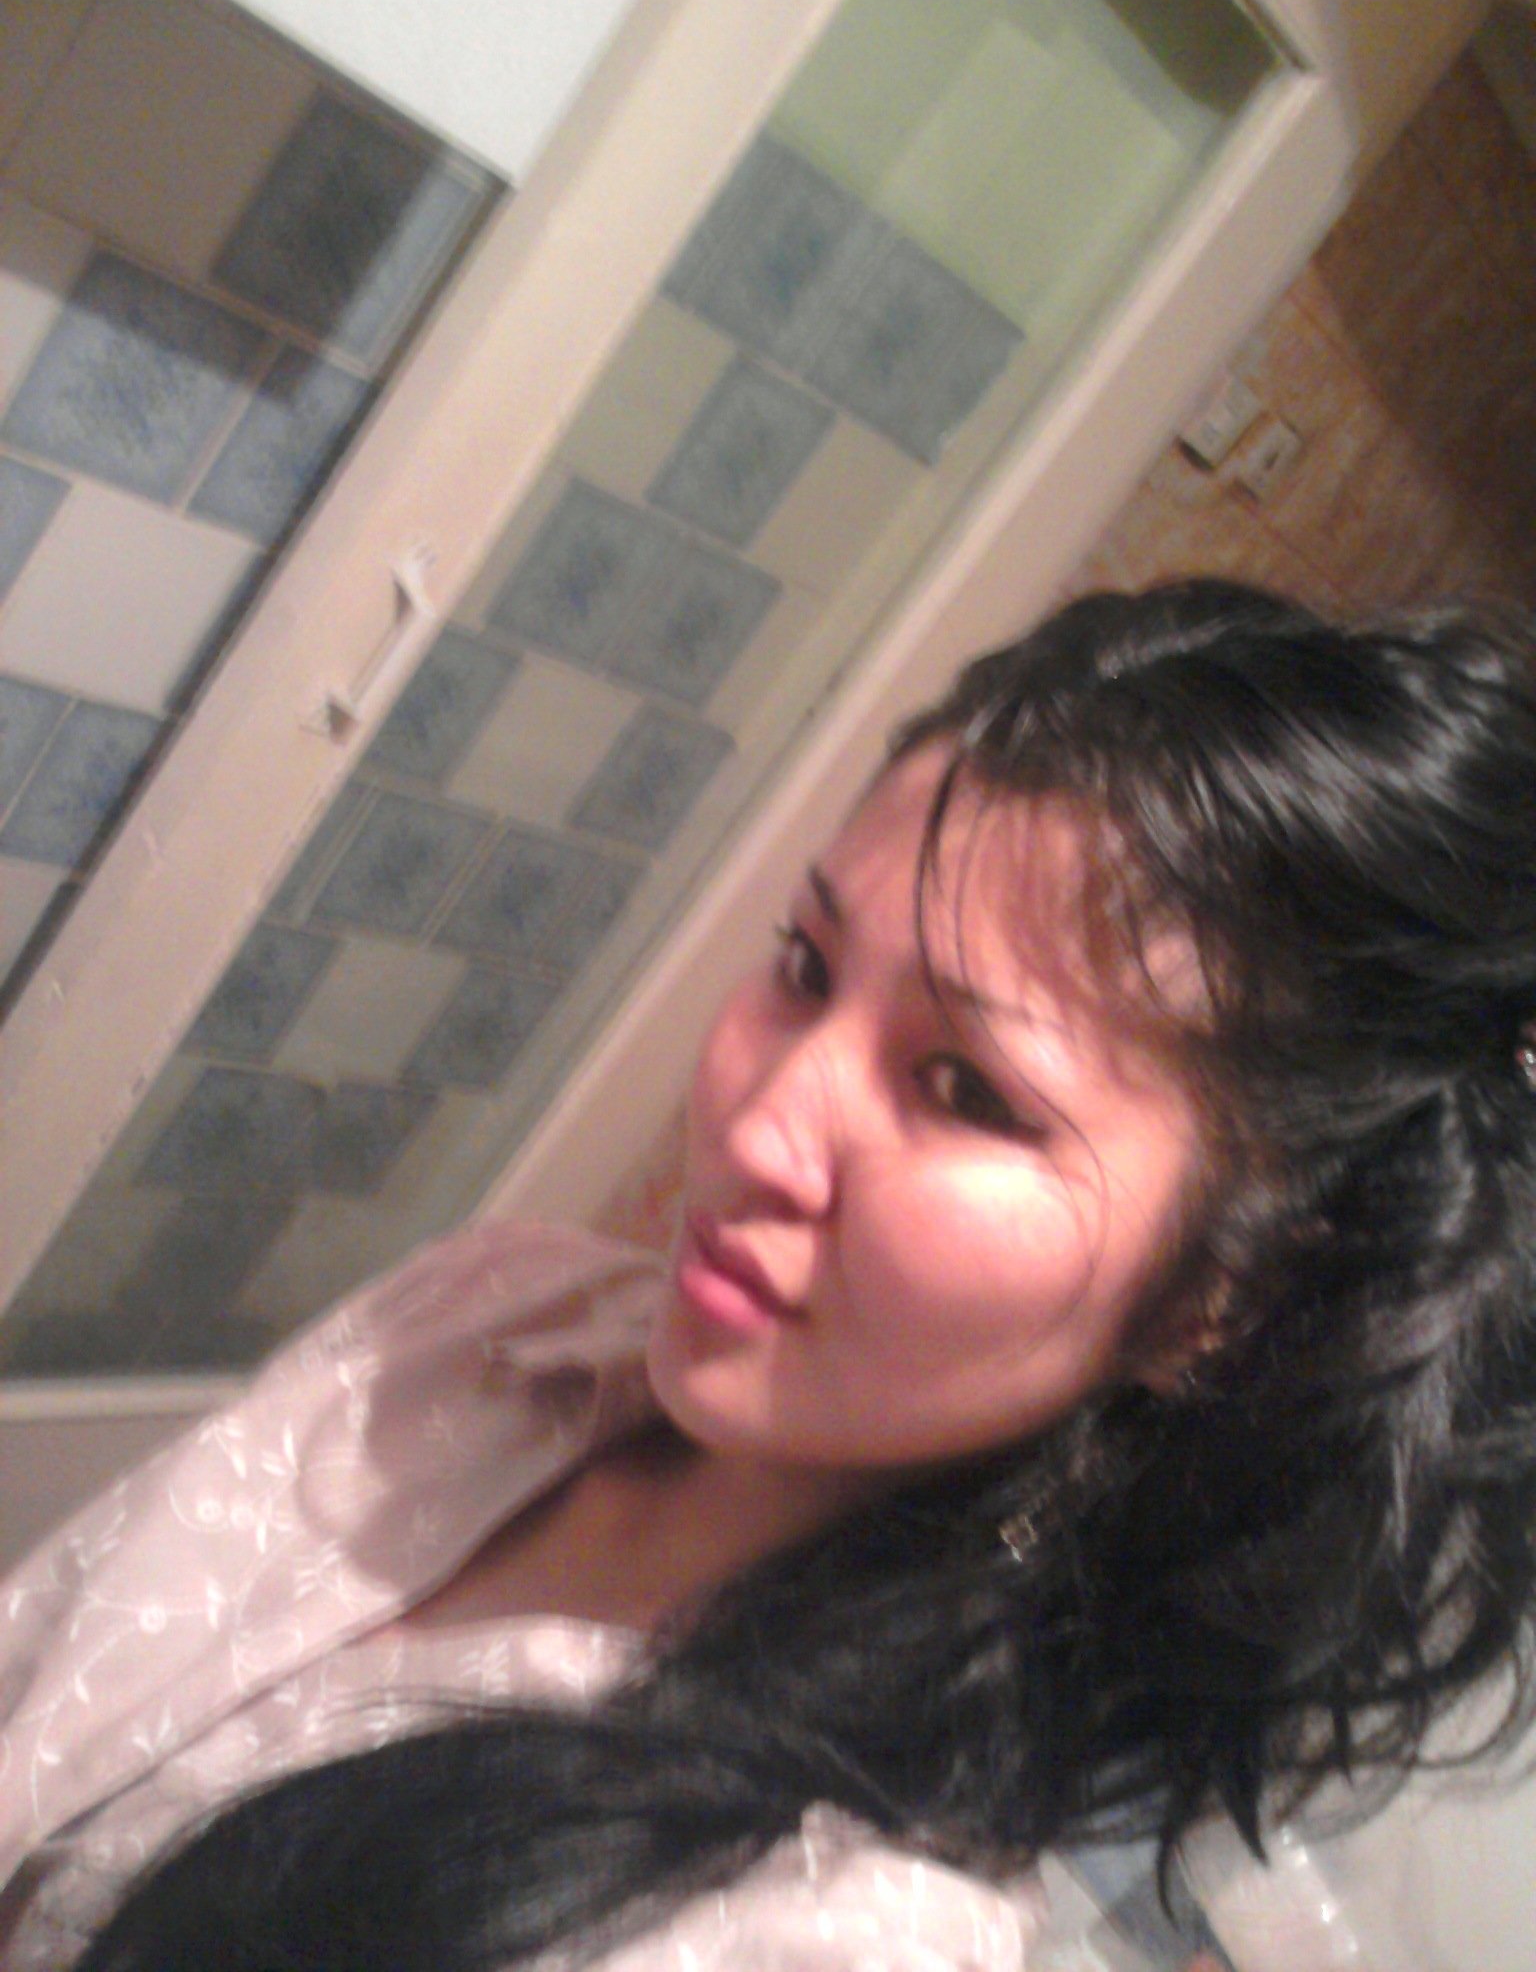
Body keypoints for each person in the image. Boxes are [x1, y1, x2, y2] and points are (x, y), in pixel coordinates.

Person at [3, 578, 1535, 1971]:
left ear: (1219, 1303)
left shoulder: (829, 1927)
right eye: (805, 965)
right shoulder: (497, 1305)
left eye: (966, 1090)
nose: (759, 1123)